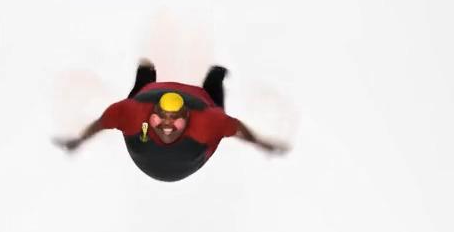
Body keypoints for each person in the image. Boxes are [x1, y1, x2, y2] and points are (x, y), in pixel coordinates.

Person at [53, 59, 290, 182]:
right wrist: (79, 140)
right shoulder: (132, 112)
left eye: (175, 119)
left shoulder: (207, 121)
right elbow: (101, 123)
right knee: (140, 85)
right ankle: (146, 73)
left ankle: (214, 77)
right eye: (161, 117)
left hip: (199, 99)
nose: (167, 125)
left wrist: (261, 143)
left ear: (187, 117)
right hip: (149, 94)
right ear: (151, 113)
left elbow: (236, 128)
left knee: (215, 92)